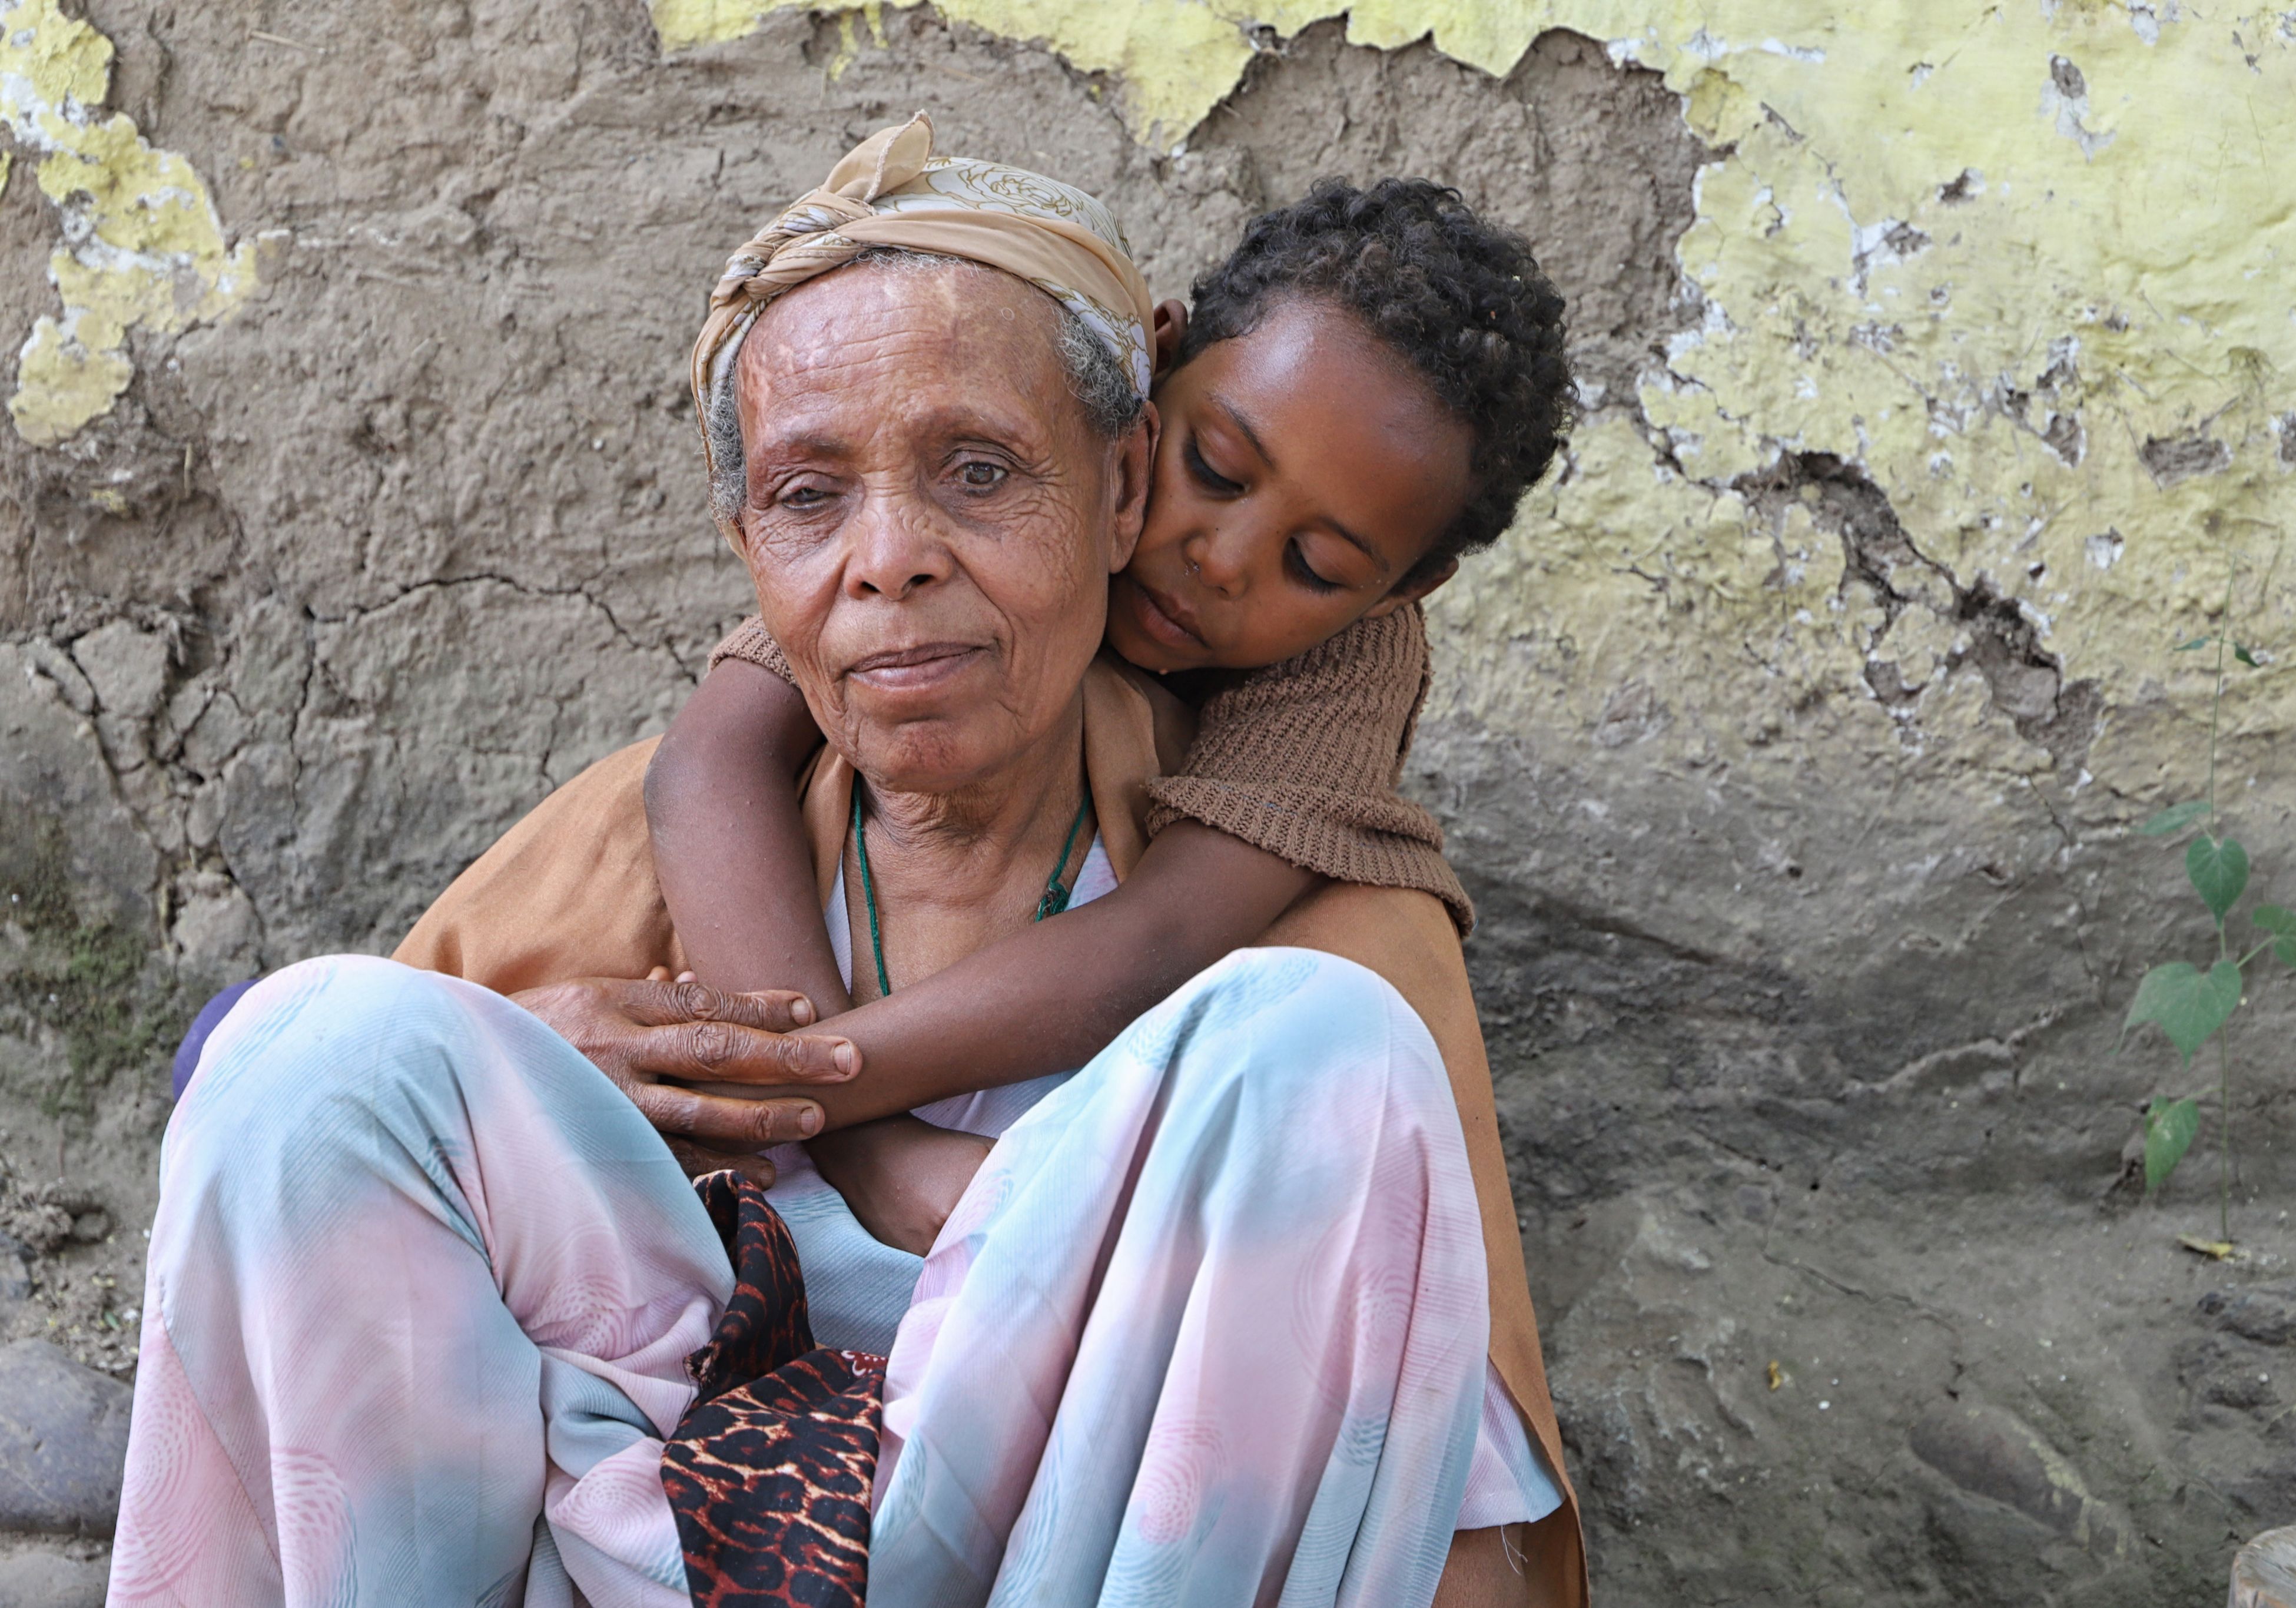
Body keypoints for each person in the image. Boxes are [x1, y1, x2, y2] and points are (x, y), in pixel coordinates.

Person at [111, 120, 1584, 1606]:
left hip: (1059, 1537)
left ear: (1114, 482)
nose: (891, 557)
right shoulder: (695, 796)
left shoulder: (1306, 910)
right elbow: (264, 1113)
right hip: (624, 1504)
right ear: (749, 540)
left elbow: (1428, 1439)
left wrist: (864, 1135)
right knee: (323, 1039)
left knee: (1320, 1043)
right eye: (810, 497)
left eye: (979, 473)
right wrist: (539, 1062)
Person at [641, 169, 1574, 1176]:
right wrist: (856, 1134)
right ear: (1153, 379)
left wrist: (820, 1101)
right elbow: (709, 760)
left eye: (1317, 567)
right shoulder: (949, 540)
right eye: (1213, 469)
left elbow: (1159, 935)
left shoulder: (1348, 665)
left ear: (1403, 588)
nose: (1220, 559)